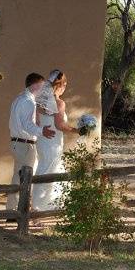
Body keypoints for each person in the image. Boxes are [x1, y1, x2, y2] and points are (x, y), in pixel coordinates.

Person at [32, 69, 80, 211]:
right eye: (65, 85)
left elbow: (36, 122)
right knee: (49, 170)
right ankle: (38, 207)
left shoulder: (39, 102)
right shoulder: (59, 103)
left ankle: (44, 205)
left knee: (44, 169)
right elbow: (60, 125)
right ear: (61, 85)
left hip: (43, 140)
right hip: (53, 142)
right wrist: (77, 130)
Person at [7, 73, 56, 210]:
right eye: (41, 85)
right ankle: (20, 211)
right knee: (25, 179)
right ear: (34, 85)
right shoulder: (28, 101)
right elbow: (27, 124)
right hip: (24, 144)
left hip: (18, 143)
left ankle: (12, 210)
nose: (43, 89)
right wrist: (42, 131)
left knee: (17, 178)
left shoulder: (20, 99)